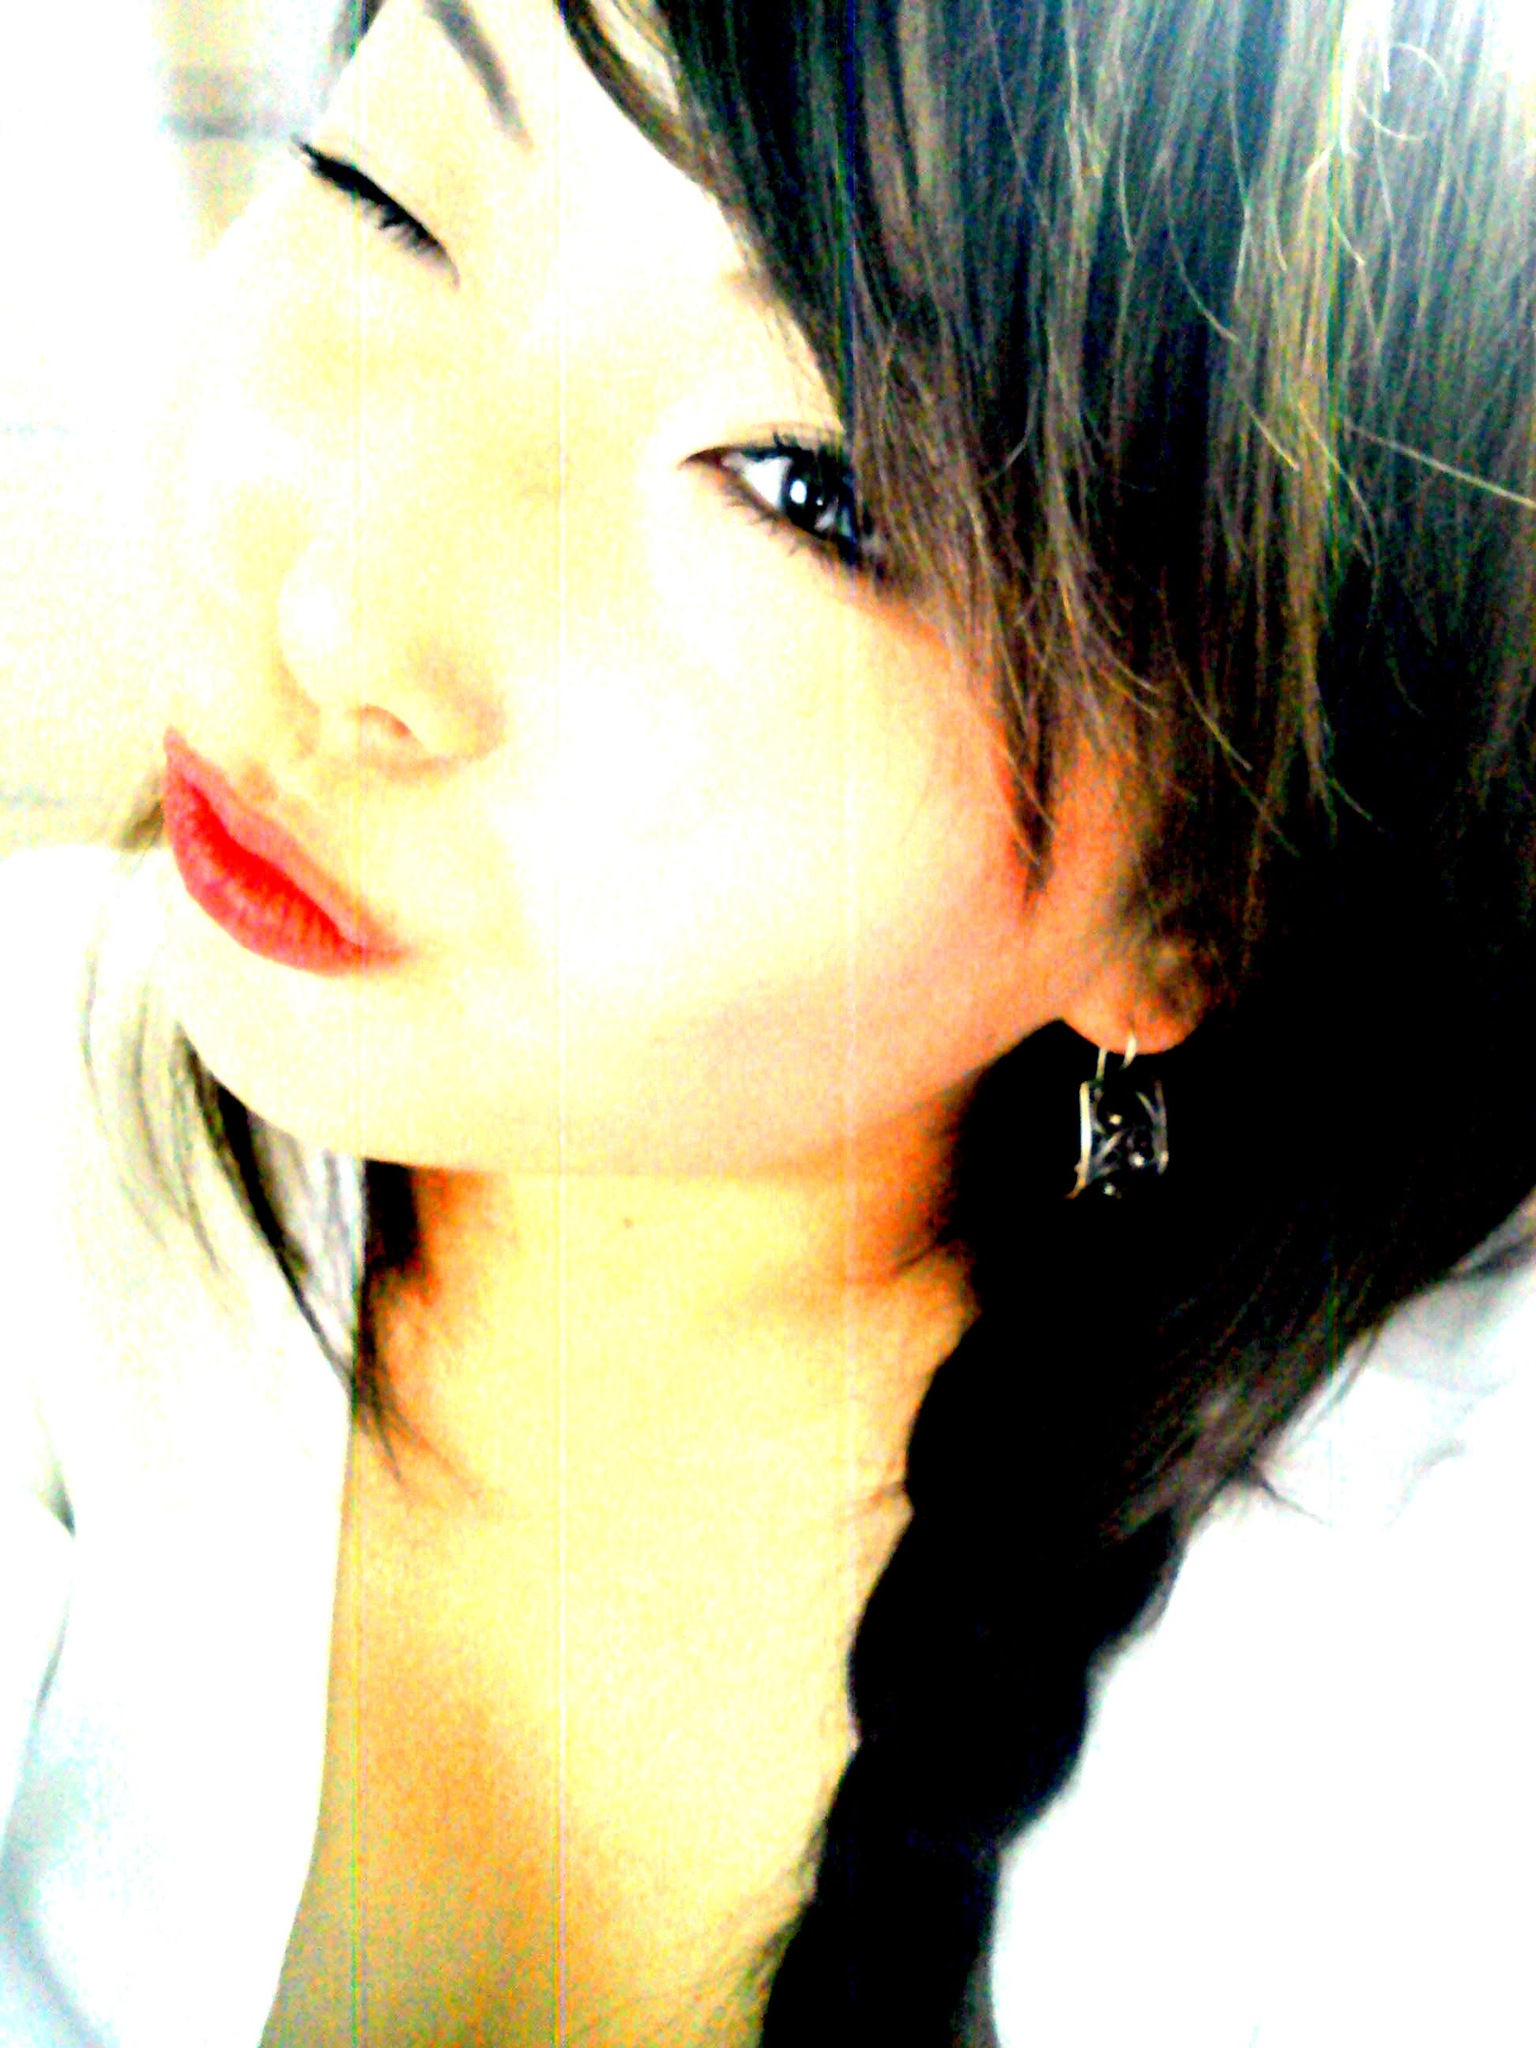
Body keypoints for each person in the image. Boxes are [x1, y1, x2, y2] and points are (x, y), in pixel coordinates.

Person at [3, 0, 1534, 2041]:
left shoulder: (1421, 1648)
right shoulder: (48, 1117)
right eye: (383, 189)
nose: (332, 604)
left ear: (1199, 916)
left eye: (806, 487)